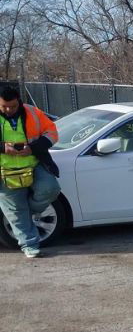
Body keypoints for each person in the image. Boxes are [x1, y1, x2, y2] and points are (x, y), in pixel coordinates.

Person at [0, 86, 61, 258]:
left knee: (51, 189)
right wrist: (3, 147)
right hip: (5, 171)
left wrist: (32, 148)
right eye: (4, 106)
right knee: (16, 211)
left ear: (19, 100)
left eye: (12, 106)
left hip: (34, 164)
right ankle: (30, 246)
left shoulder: (32, 112)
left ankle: (26, 212)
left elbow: (52, 133)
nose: (8, 110)